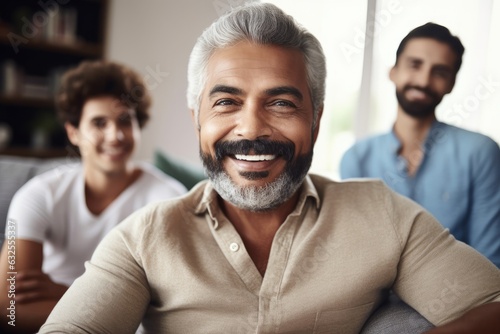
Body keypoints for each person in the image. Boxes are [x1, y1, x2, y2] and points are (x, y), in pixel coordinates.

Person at [40, 4, 500, 333]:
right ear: (196, 118)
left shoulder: (383, 214)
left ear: (317, 121)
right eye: (226, 102)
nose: (251, 128)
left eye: (281, 102)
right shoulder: (142, 238)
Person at [0, 60, 187, 333]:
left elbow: (168, 305)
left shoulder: (167, 198)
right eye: (99, 123)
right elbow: (10, 309)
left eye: (125, 120)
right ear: (73, 132)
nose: (115, 135)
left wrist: (68, 291)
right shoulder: (38, 195)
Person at [340, 23, 500, 267]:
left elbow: (490, 264)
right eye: (415, 65)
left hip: (463, 297)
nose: (424, 80)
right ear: (393, 71)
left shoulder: (480, 153)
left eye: (440, 72)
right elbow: (354, 256)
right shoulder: (357, 158)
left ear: (451, 84)